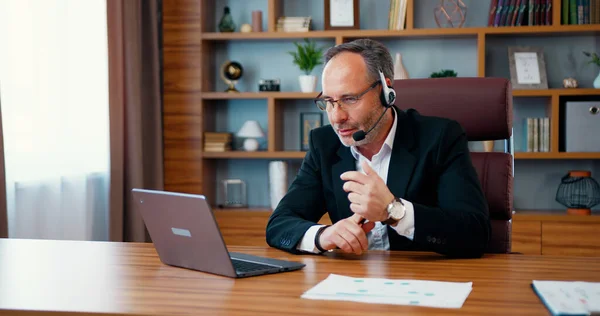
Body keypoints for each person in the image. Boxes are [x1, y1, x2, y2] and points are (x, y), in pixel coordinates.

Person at [265, 38, 490, 258]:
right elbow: (279, 224)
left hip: (424, 281)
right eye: (329, 102)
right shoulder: (324, 144)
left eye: (350, 99)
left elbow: (475, 233)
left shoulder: (441, 138)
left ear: (386, 91)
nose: (336, 117)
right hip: (350, 283)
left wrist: (394, 212)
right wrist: (323, 236)